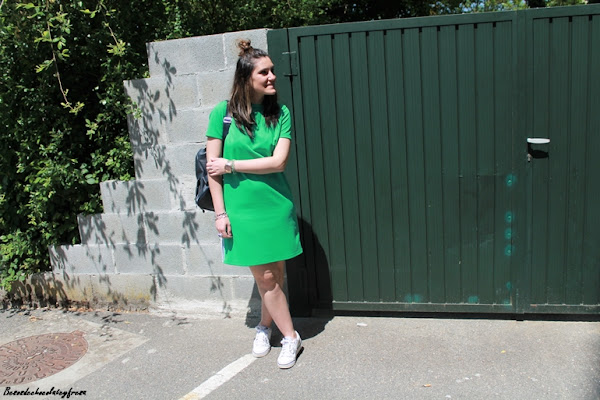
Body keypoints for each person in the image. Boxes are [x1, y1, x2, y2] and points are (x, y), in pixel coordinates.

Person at [205, 39, 304, 369]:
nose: (272, 76)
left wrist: (232, 165)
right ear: (246, 78)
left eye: (272, 70)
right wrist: (220, 213)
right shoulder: (222, 114)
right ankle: (290, 336)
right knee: (266, 278)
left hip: (275, 206)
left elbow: (278, 162)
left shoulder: (281, 113)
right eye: (264, 72)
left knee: (274, 275)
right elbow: (212, 170)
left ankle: (264, 326)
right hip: (242, 211)